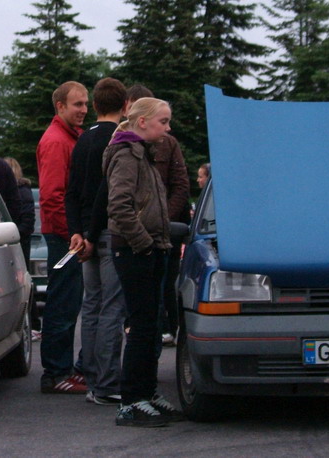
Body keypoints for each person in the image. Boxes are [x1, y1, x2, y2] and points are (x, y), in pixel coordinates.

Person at [104, 97, 183, 427]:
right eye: (163, 121)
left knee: (151, 325)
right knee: (140, 326)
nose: (167, 128)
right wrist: (144, 244)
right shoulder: (127, 154)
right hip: (135, 250)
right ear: (142, 122)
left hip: (152, 247)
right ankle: (131, 400)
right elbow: (119, 206)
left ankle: (147, 392)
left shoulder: (144, 153)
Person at [64, 77, 127, 406]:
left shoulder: (82, 140)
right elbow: (107, 194)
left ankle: (90, 376)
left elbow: (71, 191)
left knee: (91, 306)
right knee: (112, 308)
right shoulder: (119, 139)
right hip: (107, 232)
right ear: (125, 106)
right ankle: (106, 382)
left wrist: (77, 231)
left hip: (85, 233)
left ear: (95, 105)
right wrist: (90, 233)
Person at [126, 85, 191, 349]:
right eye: (163, 121)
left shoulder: (169, 144)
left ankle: (168, 328)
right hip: (137, 233)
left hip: (166, 230)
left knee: (165, 285)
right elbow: (119, 199)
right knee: (142, 297)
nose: (167, 127)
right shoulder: (123, 147)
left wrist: (164, 219)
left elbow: (181, 185)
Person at [37, 81, 89, 394]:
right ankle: (56, 374)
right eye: (77, 104)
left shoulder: (70, 137)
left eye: (85, 104)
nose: (84, 110)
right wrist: (72, 235)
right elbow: (52, 196)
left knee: (68, 302)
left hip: (66, 235)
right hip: (63, 237)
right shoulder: (57, 141)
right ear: (60, 106)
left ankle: (63, 369)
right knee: (62, 304)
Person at [5, 157, 40, 341]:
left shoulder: (18, 193)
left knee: (22, 284)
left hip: (16, 242)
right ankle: (32, 323)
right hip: (19, 241)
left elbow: (26, 224)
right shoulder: (25, 193)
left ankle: (32, 323)